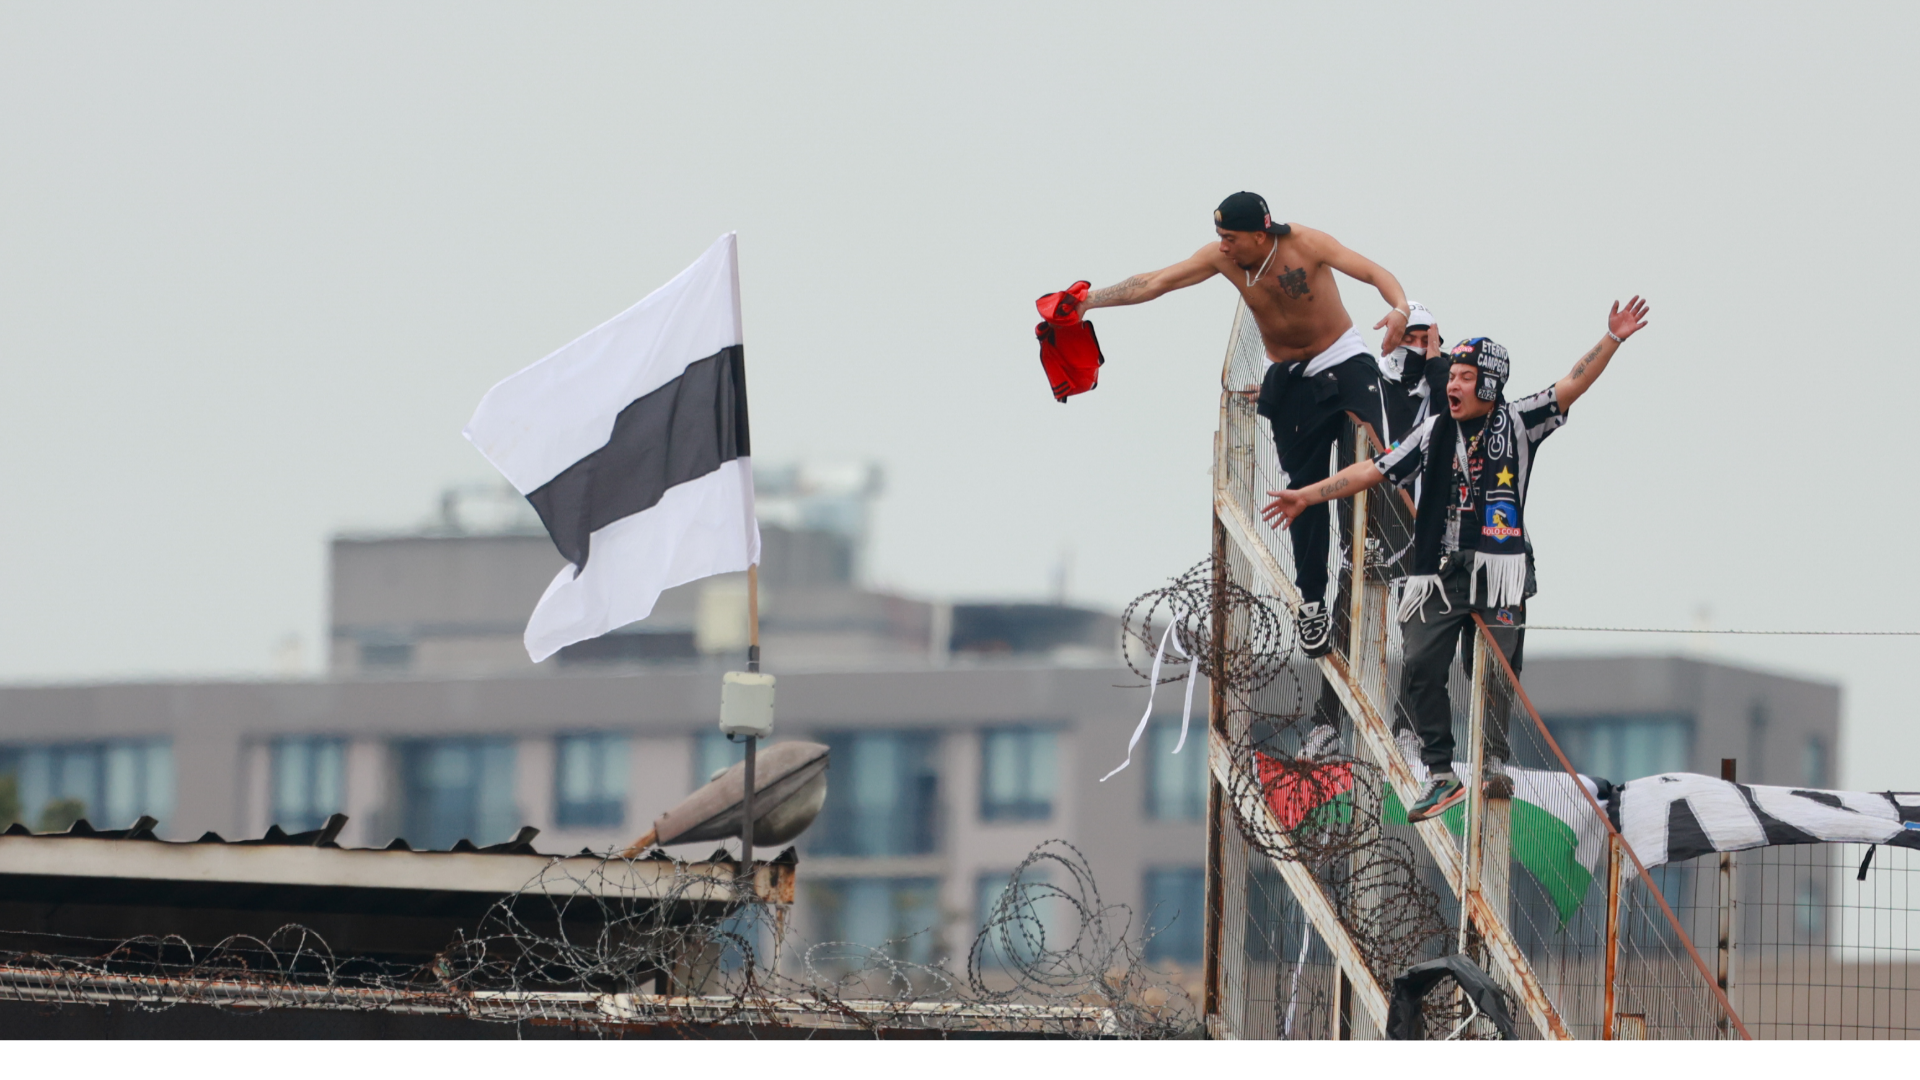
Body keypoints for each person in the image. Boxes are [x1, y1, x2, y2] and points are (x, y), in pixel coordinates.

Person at [1258, 297, 1651, 821]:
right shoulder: (1433, 430)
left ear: (1488, 384)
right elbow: (1374, 471)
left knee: (1493, 671)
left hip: (1500, 571)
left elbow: (1572, 384)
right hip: (1439, 574)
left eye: (1465, 378)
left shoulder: (1520, 421)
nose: (1453, 385)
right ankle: (1441, 773)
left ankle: (1492, 762)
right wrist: (1308, 494)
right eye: (1453, 376)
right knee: (1420, 662)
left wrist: (1613, 338)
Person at [1074, 191, 1411, 657]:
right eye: (1219, 237)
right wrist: (1089, 302)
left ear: (1260, 234)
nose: (1223, 247)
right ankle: (1312, 601)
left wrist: (1399, 309)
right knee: (1302, 489)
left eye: (1230, 238)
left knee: (1390, 448)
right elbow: (1154, 282)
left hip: (1343, 358)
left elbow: (1376, 273)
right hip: (1291, 377)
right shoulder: (1222, 258)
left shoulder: (1307, 245)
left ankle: (1414, 542)